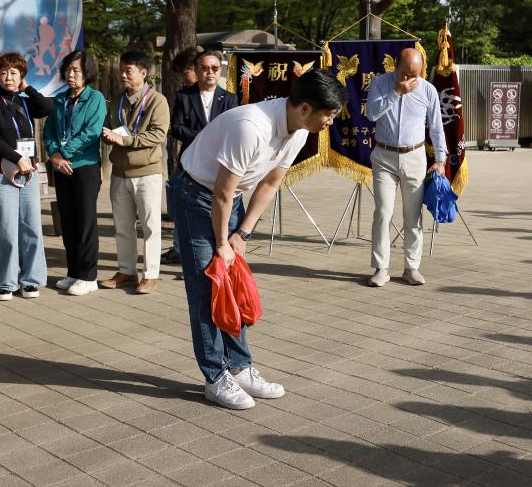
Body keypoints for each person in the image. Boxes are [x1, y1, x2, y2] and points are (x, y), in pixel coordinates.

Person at [174, 68, 347, 409]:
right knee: (207, 287)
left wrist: (243, 233)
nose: (330, 122)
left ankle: (239, 368)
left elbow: (270, 183)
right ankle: (214, 376)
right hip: (196, 195)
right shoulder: (251, 126)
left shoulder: (297, 130)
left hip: (229, 200)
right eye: (328, 114)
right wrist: (223, 244)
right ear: (305, 108)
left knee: (234, 286)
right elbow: (221, 193)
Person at [365, 47, 447, 288]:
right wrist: (396, 92)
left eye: (416, 74)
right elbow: (371, 114)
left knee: (413, 216)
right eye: (406, 74)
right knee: (383, 212)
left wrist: (440, 160)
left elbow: (436, 127)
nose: (411, 79)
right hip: (384, 156)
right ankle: (381, 268)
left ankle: (412, 267)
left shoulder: (428, 90)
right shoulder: (380, 83)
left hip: (415, 156)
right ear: (395, 67)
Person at [0, 52, 55, 301]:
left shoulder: (25, 101)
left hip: (28, 174)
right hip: (1, 173)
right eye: (3, 73)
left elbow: (47, 108)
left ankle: (31, 280)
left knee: (32, 228)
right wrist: (16, 157)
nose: (8, 77)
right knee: (6, 231)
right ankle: (6, 282)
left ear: (21, 75)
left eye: (14, 72)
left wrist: (28, 88)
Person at [99, 51, 169, 294]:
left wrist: (124, 139)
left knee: (150, 226)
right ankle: (127, 271)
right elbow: (112, 129)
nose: (123, 75)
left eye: (128, 71)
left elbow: (158, 134)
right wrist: (107, 135)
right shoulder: (118, 100)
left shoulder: (157, 101)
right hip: (119, 172)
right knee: (122, 226)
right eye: (121, 70)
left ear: (143, 73)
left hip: (147, 172)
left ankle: (150, 275)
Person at [162, 50, 239, 265]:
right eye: (205, 68)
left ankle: (219, 256)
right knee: (192, 211)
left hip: (221, 162)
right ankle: (190, 255)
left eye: (214, 68)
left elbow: (234, 129)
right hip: (192, 162)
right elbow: (176, 127)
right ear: (197, 71)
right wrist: (204, 138)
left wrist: (212, 140)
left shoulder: (230, 99)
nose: (210, 73)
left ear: (220, 70)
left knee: (221, 210)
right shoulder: (184, 96)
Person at [43, 50, 106, 296]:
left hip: (85, 167)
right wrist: (54, 156)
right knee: (68, 222)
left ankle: (88, 276)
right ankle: (73, 272)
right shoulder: (60, 100)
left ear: (87, 72)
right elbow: (48, 132)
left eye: (76, 70)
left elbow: (91, 132)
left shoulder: (95, 98)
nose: (71, 74)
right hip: (61, 167)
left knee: (85, 222)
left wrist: (65, 153)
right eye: (68, 70)